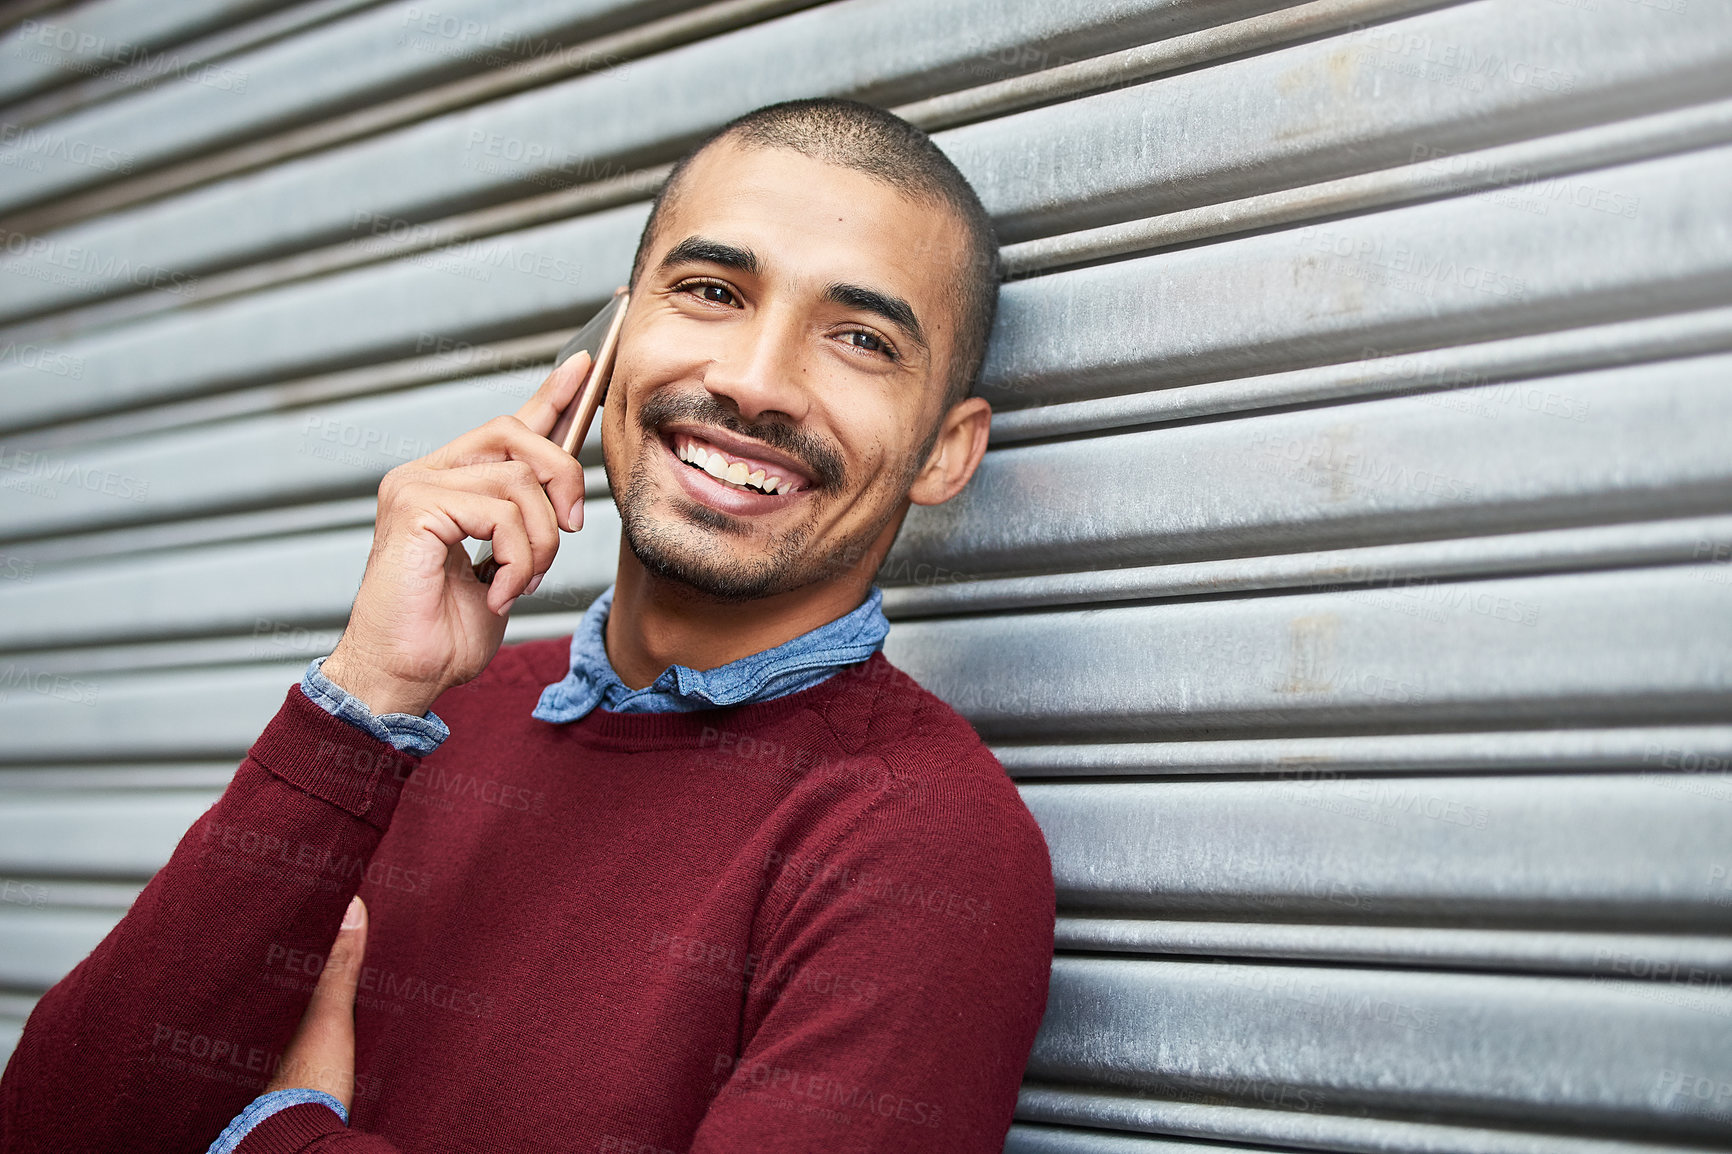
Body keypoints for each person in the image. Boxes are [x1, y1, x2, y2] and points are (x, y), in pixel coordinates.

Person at [0, 97, 1054, 1154]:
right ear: (607, 343)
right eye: (709, 291)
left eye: (862, 338)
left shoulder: (925, 844)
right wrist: (363, 695)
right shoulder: (420, 718)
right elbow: (51, 1123)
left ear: (944, 453)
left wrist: (286, 1133)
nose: (753, 381)